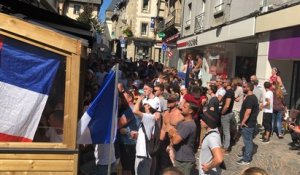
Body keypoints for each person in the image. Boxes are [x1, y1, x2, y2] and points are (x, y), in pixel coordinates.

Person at [133, 95, 161, 175]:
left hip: (143, 156)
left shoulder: (148, 117)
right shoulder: (148, 118)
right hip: (141, 155)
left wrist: (139, 99)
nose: (142, 105)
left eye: (144, 104)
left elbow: (135, 110)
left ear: (148, 106)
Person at [168, 101, 198, 175]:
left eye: (184, 107)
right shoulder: (181, 122)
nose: (181, 108)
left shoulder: (188, 125)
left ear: (190, 111)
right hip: (178, 157)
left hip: (184, 160)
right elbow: (171, 132)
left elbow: (175, 140)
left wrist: (173, 133)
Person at [159, 93, 184, 171]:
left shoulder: (180, 114)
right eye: (168, 101)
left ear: (176, 102)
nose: (168, 103)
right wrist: (160, 142)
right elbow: (163, 129)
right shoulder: (166, 113)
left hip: (175, 141)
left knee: (174, 165)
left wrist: (172, 144)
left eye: (171, 101)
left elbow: (181, 131)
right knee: (164, 164)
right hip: (165, 141)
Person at [237, 83, 259, 165]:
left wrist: (243, 121)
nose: (242, 88)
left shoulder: (250, 98)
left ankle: (246, 159)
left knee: (248, 141)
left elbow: (248, 111)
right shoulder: (252, 97)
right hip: (249, 123)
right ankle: (245, 155)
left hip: (248, 124)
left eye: (244, 87)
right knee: (247, 140)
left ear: (249, 88)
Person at [199, 110, 224, 175]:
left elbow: (219, 159)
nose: (200, 120)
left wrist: (208, 167)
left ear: (208, 121)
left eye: (203, 119)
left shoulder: (212, 137)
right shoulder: (212, 133)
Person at [220, 79, 235, 153]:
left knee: (226, 131)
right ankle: (224, 145)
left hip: (226, 114)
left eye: (224, 82)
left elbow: (227, 105)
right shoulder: (229, 91)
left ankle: (226, 147)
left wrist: (222, 113)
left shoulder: (229, 92)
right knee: (225, 131)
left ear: (228, 83)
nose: (222, 83)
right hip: (227, 113)